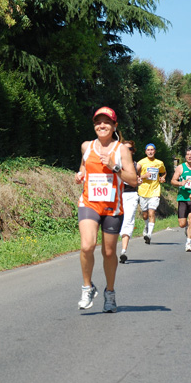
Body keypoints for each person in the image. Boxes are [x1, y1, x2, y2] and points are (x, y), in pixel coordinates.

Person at [75, 107, 137, 313]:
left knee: (109, 252)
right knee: (87, 246)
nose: (102, 125)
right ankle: (87, 287)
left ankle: (110, 293)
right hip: (89, 204)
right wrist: (79, 175)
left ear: (114, 126)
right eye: (98, 122)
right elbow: (84, 168)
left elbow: (134, 181)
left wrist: (114, 167)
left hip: (113, 207)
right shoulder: (87, 146)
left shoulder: (121, 150)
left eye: (106, 122)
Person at [170, 146, 191, 252]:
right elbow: (173, 181)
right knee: (182, 223)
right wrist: (180, 183)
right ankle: (187, 228)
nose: (189, 156)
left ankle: (188, 243)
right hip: (183, 197)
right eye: (187, 154)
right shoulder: (180, 167)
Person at [137, 143, 166, 244]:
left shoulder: (159, 163)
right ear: (145, 152)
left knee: (151, 213)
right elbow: (135, 175)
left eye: (152, 150)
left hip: (155, 190)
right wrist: (144, 176)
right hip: (143, 191)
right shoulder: (141, 163)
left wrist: (163, 177)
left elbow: (164, 172)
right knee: (145, 215)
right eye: (148, 150)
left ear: (155, 151)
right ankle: (146, 227)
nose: (150, 152)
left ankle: (149, 234)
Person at [118, 140, 141, 263]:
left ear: (133, 151)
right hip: (116, 195)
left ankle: (123, 251)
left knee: (128, 221)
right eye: (124, 148)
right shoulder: (114, 164)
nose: (127, 151)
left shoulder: (137, 166)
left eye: (130, 149)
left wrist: (139, 181)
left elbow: (137, 179)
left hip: (131, 195)